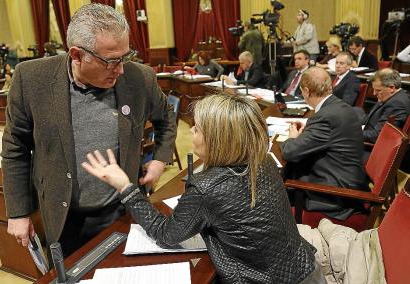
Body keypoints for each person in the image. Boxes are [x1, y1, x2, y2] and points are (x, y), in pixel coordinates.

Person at [83, 94, 326, 284]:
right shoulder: (260, 160)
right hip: (307, 268)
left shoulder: (207, 188)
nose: (190, 132)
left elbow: (167, 234)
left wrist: (125, 187)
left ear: (217, 139)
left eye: (197, 128)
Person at [1, 3, 176, 258]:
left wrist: (160, 159)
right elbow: (15, 147)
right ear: (76, 54)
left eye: (126, 56)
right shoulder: (31, 79)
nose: (121, 69)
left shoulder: (141, 78)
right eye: (111, 61)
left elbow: (167, 118)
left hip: (122, 210)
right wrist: (18, 212)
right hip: (62, 216)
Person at [280, 67, 367, 221]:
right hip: (347, 176)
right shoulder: (339, 107)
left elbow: (289, 152)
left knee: (277, 187)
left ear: (306, 91)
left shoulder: (325, 117)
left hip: (336, 193)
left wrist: (292, 137)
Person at [360, 68, 410, 143]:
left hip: (371, 148)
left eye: (378, 90)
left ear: (391, 88)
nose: (374, 93)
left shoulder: (397, 104)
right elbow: (370, 120)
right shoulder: (392, 96)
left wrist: (351, 134)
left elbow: (377, 136)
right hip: (366, 132)